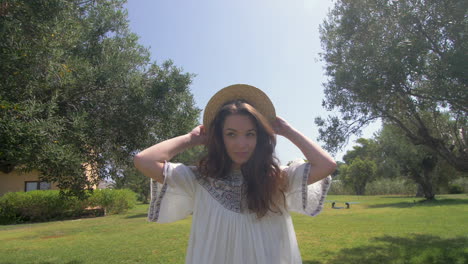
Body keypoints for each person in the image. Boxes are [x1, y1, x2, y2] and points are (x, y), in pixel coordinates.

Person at [134, 84, 336, 264]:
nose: (241, 144)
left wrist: (288, 131)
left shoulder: (278, 178)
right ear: (220, 138)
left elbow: (326, 165)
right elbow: (144, 161)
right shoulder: (199, 179)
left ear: (260, 138)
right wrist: (191, 138)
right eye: (231, 134)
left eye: (250, 134)